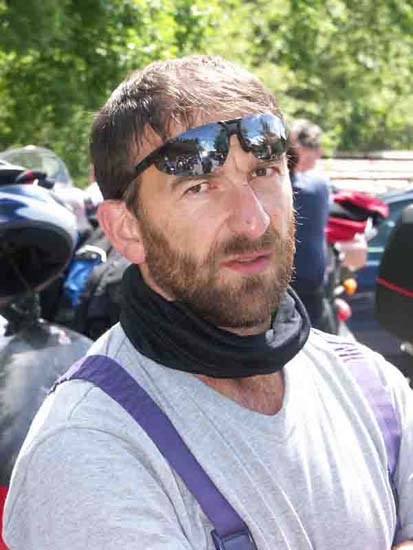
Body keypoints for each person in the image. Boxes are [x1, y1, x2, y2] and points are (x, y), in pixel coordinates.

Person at [3, 55, 413, 550]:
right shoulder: (90, 446)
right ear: (127, 230)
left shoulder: (372, 389)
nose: (254, 220)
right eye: (200, 186)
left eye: (264, 171)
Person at [288, 119, 334, 332]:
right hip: (305, 286)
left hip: (299, 284)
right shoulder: (317, 185)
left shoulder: (315, 184)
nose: (319, 153)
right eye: (314, 147)